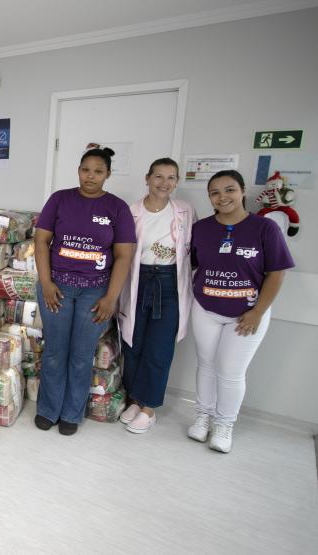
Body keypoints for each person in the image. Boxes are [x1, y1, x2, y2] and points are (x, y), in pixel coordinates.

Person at [187, 170, 293, 453]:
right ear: (210, 197)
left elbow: (276, 274)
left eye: (229, 189)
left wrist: (258, 312)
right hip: (206, 308)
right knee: (206, 364)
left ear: (243, 191)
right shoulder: (202, 228)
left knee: (231, 371)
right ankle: (203, 417)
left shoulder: (265, 228)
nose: (223, 197)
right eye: (215, 192)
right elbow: (196, 265)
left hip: (246, 313)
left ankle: (224, 424)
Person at [33, 145, 136, 435]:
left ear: (108, 174)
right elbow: (41, 243)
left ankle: (71, 413)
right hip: (57, 289)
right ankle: (48, 409)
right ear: (78, 170)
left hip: (95, 293)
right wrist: (47, 283)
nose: (91, 176)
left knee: (81, 355)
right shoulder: (59, 200)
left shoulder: (117, 208)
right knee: (54, 351)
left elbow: (124, 256)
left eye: (98, 171)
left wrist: (110, 297)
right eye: (85, 170)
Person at [117, 158, 196, 433]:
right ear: (147, 178)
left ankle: (149, 408)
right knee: (133, 344)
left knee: (159, 347)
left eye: (171, 177)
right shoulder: (131, 212)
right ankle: (136, 400)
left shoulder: (185, 211)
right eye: (159, 176)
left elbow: (192, 253)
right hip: (137, 281)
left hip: (169, 284)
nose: (165, 183)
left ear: (176, 182)